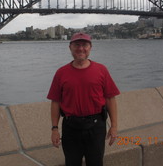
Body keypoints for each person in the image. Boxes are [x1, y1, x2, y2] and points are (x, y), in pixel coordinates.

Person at [47, 32, 120, 166]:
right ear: (70, 47)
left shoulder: (101, 70)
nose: (81, 48)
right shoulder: (61, 73)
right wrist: (54, 129)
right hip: (70, 128)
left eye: (85, 45)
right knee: (72, 163)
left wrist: (114, 126)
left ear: (90, 47)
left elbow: (110, 99)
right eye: (77, 45)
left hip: (96, 127)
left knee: (96, 163)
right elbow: (55, 102)